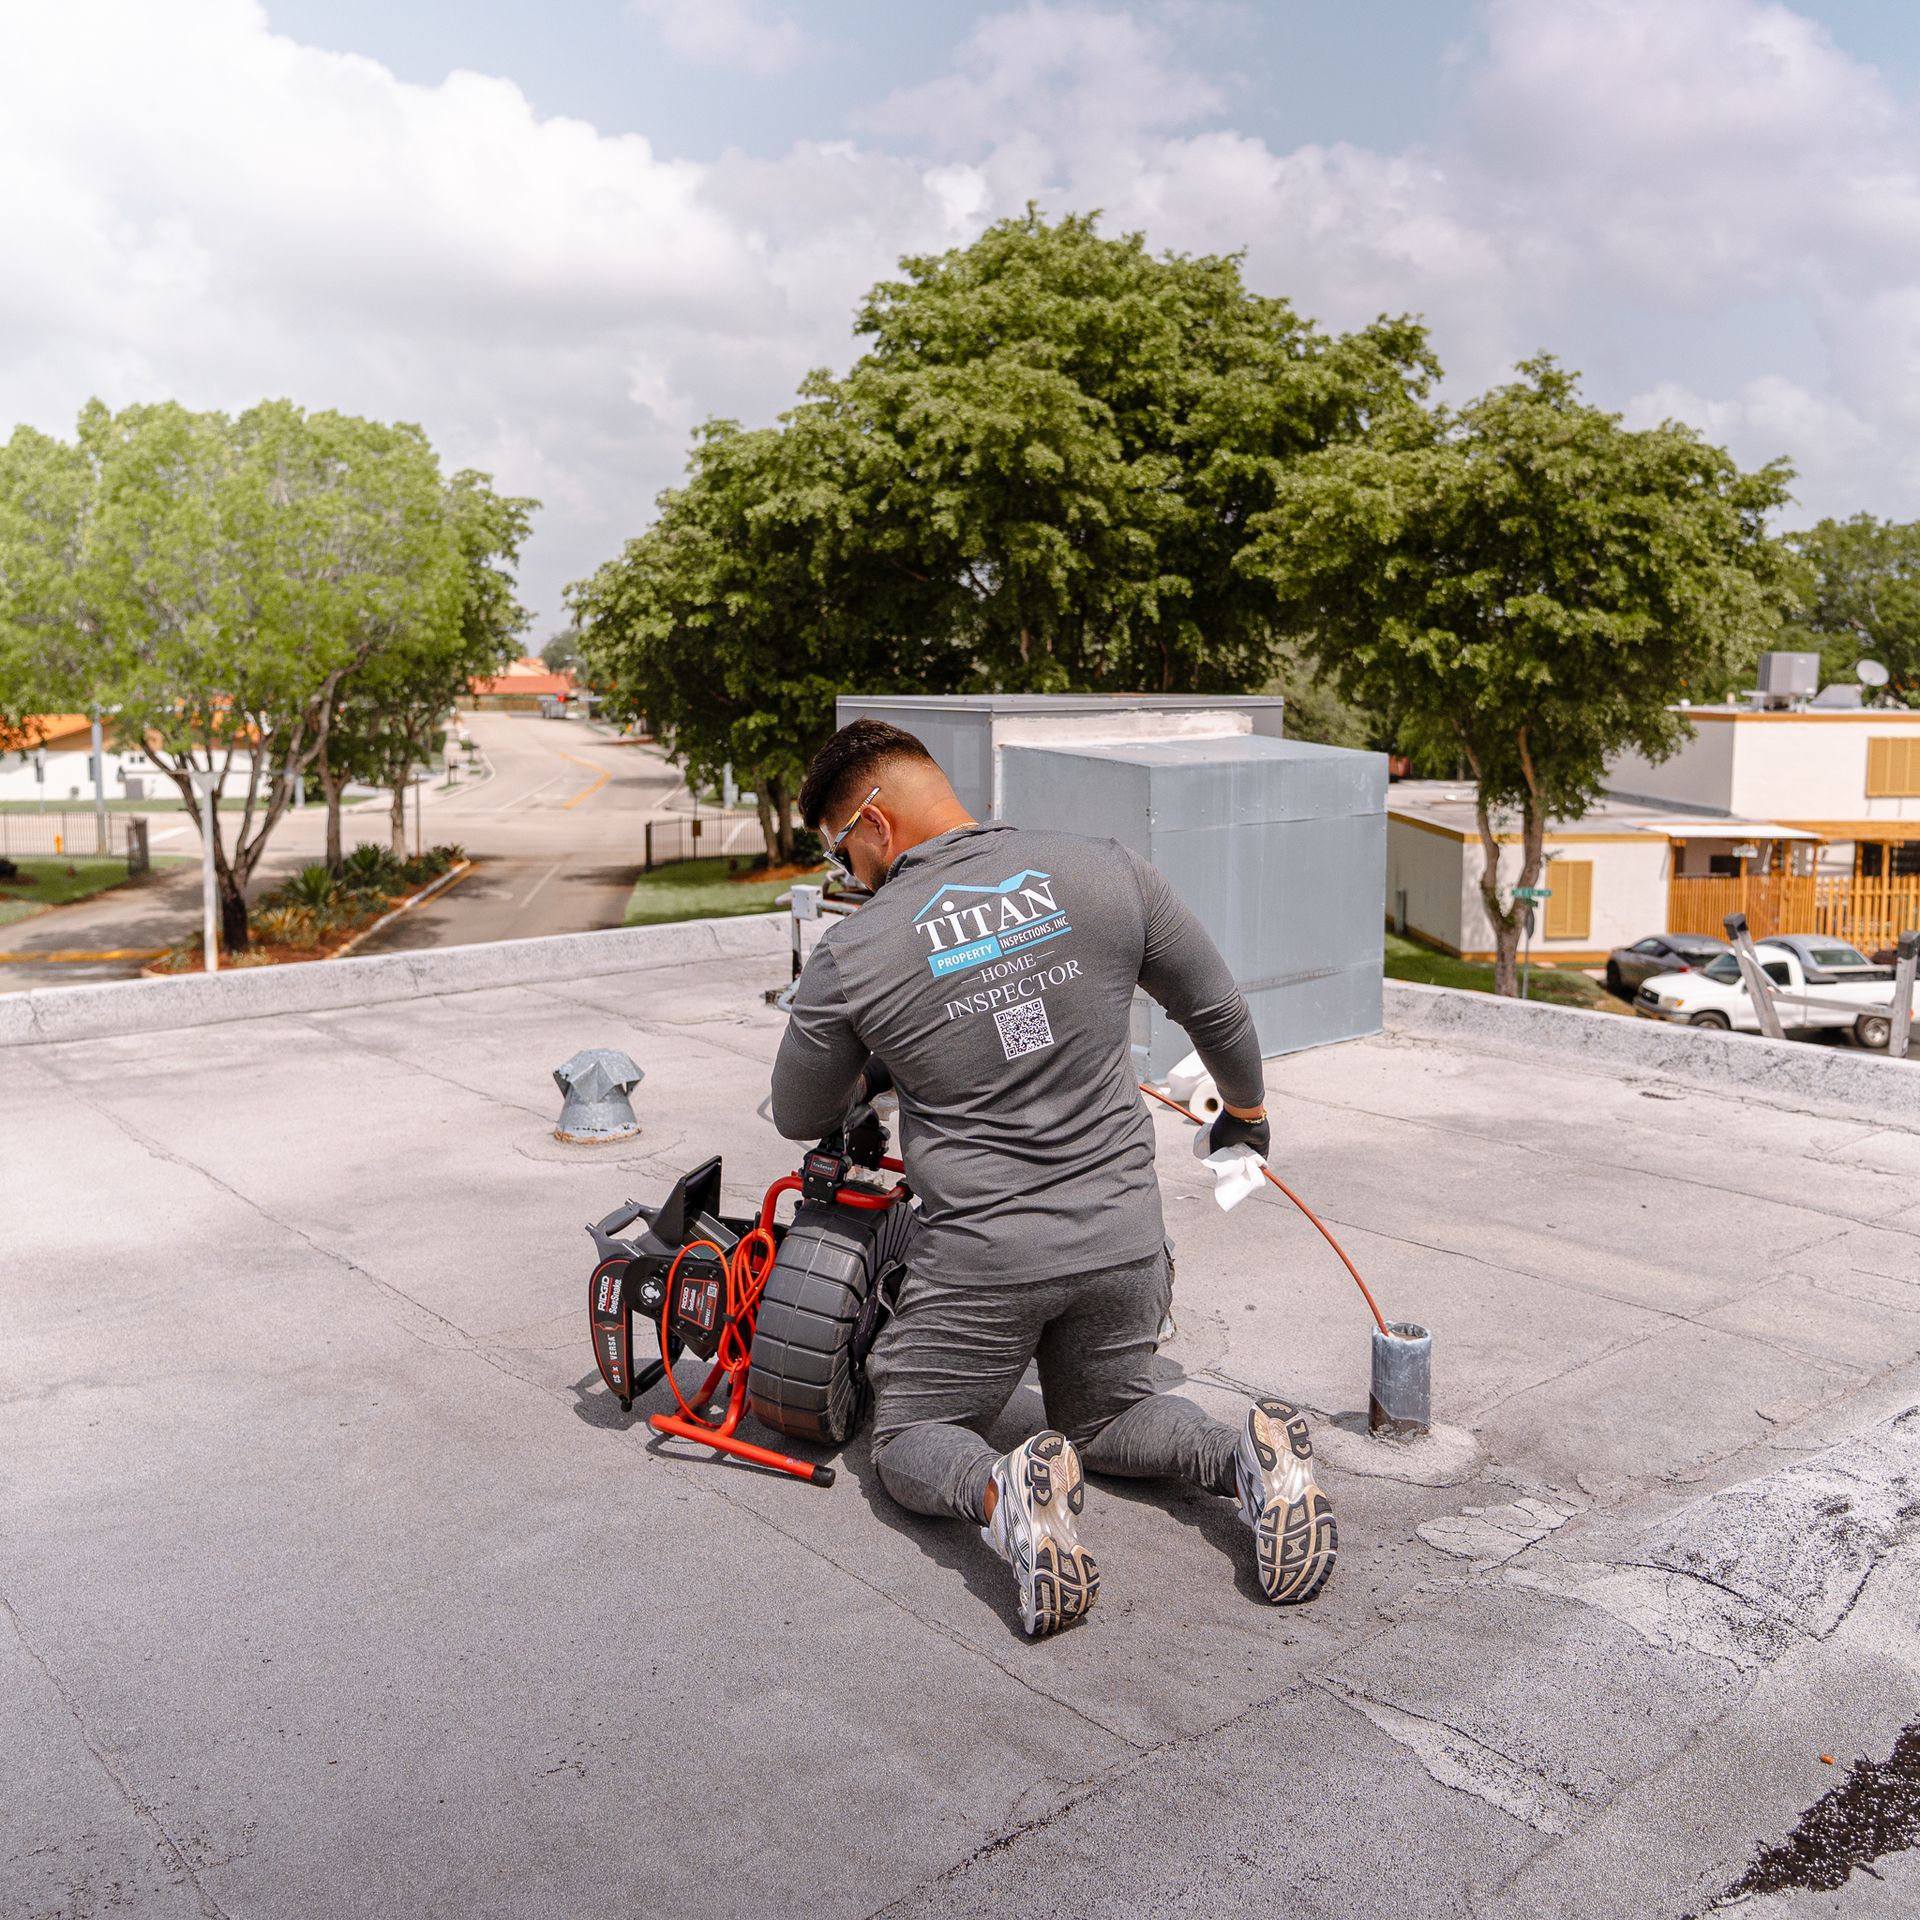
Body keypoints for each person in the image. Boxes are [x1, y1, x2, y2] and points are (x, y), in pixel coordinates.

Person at [769, 718, 1336, 1637]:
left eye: (843, 851)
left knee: (910, 1436)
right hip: (1123, 1243)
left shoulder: (856, 951)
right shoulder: (1103, 867)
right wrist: (1249, 1118)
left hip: (986, 1261)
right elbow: (1221, 1013)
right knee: (1110, 1423)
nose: (849, 874)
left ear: (873, 823)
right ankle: (1245, 1461)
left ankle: (1003, 1493)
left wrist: (883, 1056)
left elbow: (800, 1112)